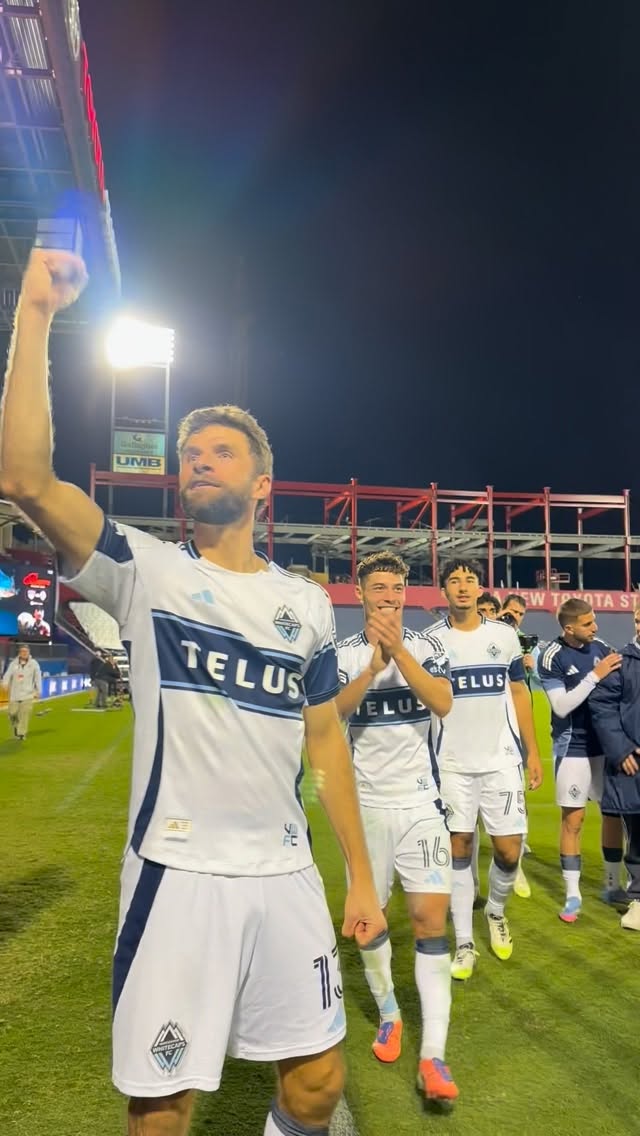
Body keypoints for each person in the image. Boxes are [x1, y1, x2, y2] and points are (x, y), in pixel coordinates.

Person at [0, 249, 386, 1136]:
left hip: (285, 871)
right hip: (177, 874)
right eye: (189, 452)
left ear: (262, 484)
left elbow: (324, 739)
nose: (197, 460)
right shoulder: (147, 573)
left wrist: (358, 875)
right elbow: (23, 477)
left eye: (220, 451)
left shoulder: (304, 604)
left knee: (320, 1087)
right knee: (162, 1110)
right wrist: (34, 315)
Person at [336, 551, 458, 1105]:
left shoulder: (430, 647)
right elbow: (332, 715)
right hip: (363, 809)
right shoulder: (341, 656)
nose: (388, 595)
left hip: (420, 805)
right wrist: (371, 666)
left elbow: (442, 702)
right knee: (369, 919)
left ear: (405, 594)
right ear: (360, 593)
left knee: (430, 918)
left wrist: (399, 652)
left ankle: (434, 1055)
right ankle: (389, 1013)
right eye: (378, 587)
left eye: (396, 587)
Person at [429, 559, 543, 981]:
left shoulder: (504, 636)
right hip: (453, 765)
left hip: (500, 763)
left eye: (470, 580)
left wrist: (531, 751)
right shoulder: (432, 642)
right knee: (458, 848)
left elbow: (518, 691)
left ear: (480, 588)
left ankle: (495, 911)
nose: (463, 587)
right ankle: (463, 940)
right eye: (454, 581)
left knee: (509, 850)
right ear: (443, 590)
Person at [537, 598, 625, 922]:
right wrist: (595, 676)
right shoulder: (552, 656)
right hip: (573, 746)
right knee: (573, 821)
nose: (596, 627)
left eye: (595, 621)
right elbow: (561, 706)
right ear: (569, 627)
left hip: (606, 745)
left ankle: (613, 884)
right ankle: (573, 895)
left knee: (613, 814)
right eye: (588, 624)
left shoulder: (601, 647)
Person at [590, 606, 640, 931]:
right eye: (638, 617)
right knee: (638, 836)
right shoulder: (622, 663)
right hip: (634, 765)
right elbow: (601, 707)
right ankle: (638, 900)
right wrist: (620, 748)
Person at [2, 643, 42, 739]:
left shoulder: (34, 664)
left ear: (29, 652)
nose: (24, 653)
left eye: (26, 651)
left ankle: (21, 733)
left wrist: (38, 691)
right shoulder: (13, 663)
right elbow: (7, 675)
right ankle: (16, 727)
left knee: (24, 714)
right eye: (22, 651)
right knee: (12, 713)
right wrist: (5, 684)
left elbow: (38, 678)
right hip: (14, 695)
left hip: (27, 695)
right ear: (19, 653)